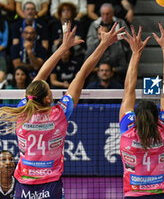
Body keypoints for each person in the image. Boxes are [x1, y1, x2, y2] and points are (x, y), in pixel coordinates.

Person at [0, 22, 125, 198]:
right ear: (47, 99)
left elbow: (41, 75)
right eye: (50, 90)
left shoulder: (23, 110)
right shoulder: (59, 113)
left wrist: (63, 47)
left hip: (23, 186)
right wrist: (104, 44)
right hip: (50, 185)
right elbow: (82, 72)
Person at [119, 21, 164, 198]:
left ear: (135, 117)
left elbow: (129, 88)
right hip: (163, 194)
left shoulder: (128, 130)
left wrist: (136, 53)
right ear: (158, 116)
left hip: (133, 194)